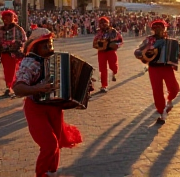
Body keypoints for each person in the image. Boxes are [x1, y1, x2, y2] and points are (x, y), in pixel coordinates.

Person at [13, 27, 82, 177]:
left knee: (56, 141)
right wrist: (37, 88)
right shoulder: (29, 63)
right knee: (49, 144)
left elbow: (67, 84)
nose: (50, 49)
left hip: (54, 108)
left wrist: (81, 85)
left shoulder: (57, 61)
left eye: (51, 45)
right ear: (36, 47)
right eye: (46, 46)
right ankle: (41, 173)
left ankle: (52, 171)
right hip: (36, 108)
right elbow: (18, 89)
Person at [134, 19, 180, 124]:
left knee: (175, 88)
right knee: (157, 91)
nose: (158, 30)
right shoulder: (148, 40)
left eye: (161, 27)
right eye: (155, 28)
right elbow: (137, 51)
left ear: (164, 28)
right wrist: (144, 54)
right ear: (153, 29)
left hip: (167, 68)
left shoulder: (172, 41)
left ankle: (169, 100)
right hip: (154, 68)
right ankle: (162, 113)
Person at [0, 10, 27, 97]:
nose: (6, 20)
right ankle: (9, 87)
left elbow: (24, 39)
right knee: (7, 71)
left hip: (15, 53)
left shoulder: (18, 28)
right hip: (4, 54)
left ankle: (13, 87)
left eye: (8, 18)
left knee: (14, 70)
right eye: (5, 18)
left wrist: (15, 45)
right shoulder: (1, 29)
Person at [92, 16, 123, 93]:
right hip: (101, 52)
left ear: (108, 23)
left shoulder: (113, 31)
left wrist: (115, 45)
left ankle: (114, 72)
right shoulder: (99, 32)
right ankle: (104, 85)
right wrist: (97, 44)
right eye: (101, 23)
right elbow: (95, 41)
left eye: (104, 23)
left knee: (113, 66)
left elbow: (120, 41)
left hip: (111, 51)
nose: (103, 24)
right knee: (102, 69)